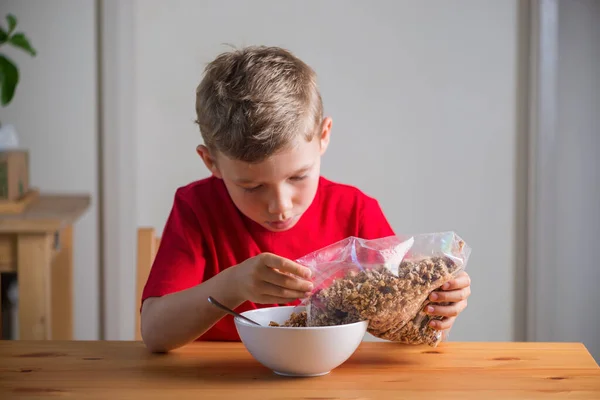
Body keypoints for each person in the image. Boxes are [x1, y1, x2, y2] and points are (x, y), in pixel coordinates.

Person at [140, 46, 471, 352]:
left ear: (323, 136)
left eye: (297, 177)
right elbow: (155, 333)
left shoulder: (355, 211)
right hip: (220, 380)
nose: (280, 205)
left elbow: (403, 324)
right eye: (251, 187)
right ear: (211, 162)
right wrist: (233, 285)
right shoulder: (197, 208)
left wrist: (438, 307)